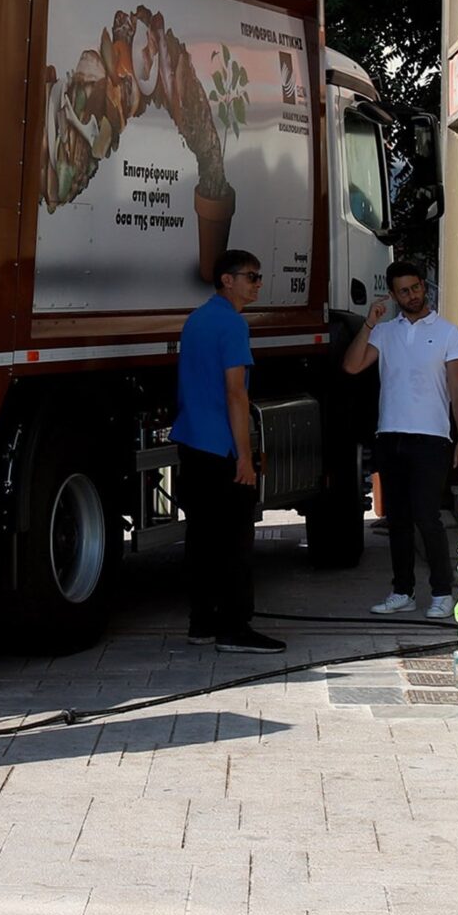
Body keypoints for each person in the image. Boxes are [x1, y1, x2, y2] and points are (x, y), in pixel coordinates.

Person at [342, 259, 458, 620]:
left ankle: (442, 592)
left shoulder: (449, 333)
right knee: (397, 518)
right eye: (404, 290)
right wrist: (370, 321)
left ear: (424, 287)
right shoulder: (385, 333)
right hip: (390, 435)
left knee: (426, 516)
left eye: (416, 287)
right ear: (394, 294)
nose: (413, 295)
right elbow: (352, 366)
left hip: (431, 439)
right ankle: (402, 590)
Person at [173, 249, 285, 654]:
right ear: (227, 280)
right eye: (251, 276)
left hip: (192, 441)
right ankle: (235, 627)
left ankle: (201, 622)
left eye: (258, 276)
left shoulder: (197, 320)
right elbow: (236, 395)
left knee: (201, 538)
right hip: (220, 447)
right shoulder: (233, 325)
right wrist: (244, 456)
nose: (257, 283)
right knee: (235, 541)